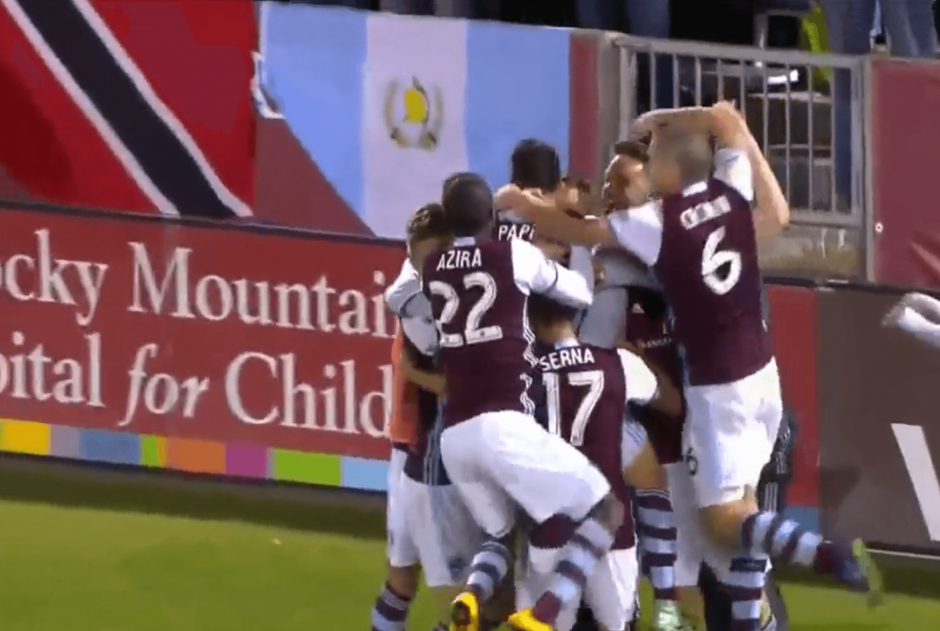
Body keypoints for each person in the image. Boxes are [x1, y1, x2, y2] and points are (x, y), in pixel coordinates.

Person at [502, 102, 883, 631]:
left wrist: (520, 202)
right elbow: (773, 208)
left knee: (727, 524)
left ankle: (824, 552)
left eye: (648, 160)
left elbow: (586, 235)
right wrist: (723, 124)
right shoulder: (730, 192)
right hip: (761, 379)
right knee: (730, 553)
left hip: (714, 395)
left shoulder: (655, 225)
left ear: (665, 173)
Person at [420, 174, 623, 631]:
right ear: (492, 217)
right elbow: (579, 292)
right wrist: (569, 248)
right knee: (606, 508)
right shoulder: (515, 254)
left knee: (500, 534)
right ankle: (543, 614)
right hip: (502, 422)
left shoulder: (432, 267)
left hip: (454, 434)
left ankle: (470, 598)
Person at [574, 140, 689, 631]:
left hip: (675, 434)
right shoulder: (596, 252)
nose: (609, 190)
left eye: (622, 181)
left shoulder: (665, 257)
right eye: (607, 181)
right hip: (593, 396)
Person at [517, 294, 683, 631]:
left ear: (532, 322)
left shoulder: (521, 374)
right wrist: (639, 358)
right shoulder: (617, 362)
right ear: (576, 315)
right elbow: (671, 403)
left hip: (551, 524)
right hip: (612, 528)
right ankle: (667, 607)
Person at [377, 203, 485, 631]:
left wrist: (417, 373)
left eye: (436, 257)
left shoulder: (456, 293)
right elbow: (452, 382)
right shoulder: (413, 300)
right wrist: (423, 375)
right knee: (414, 583)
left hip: (437, 455)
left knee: (461, 593)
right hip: (418, 453)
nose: (430, 268)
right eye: (421, 260)